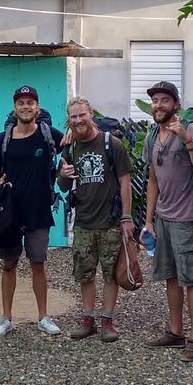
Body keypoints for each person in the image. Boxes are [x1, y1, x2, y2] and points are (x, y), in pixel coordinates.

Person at [141, 81, 193, 361]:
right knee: (170, 276)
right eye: (155, 100)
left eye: (164, 100)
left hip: (187, 219)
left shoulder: (190, 129)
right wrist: (148, 220)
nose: (158, 105)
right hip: (163, 219)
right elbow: (153, 181)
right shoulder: (151, 137)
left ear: (176, 104)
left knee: (191, 279)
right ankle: (175, 332)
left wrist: (187, 139)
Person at [0, 85, 64, 337]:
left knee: (38, 264)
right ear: (15, 108)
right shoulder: (3, 139)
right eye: (21, 103)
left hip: (38, 210)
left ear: (37, 107)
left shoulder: (48, 134)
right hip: (9, 212)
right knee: (8, 264)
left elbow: (73, 145)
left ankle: (43, 317)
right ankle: (6, 318)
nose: (26, 107)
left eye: (30, 102)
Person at [57, 96, 133, 342]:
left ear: (91, 114)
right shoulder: (69, 148)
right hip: (83, 222)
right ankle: (88, 319)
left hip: (110, 221)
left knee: (111, 274)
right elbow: (63, 185)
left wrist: (127, 217)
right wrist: (64, 174)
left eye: (82, 115)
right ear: (69, 120)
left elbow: (125, 182)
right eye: (74, 117)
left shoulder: (113, 145)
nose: (78, 120)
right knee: (84, 273)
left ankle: (108, 322)